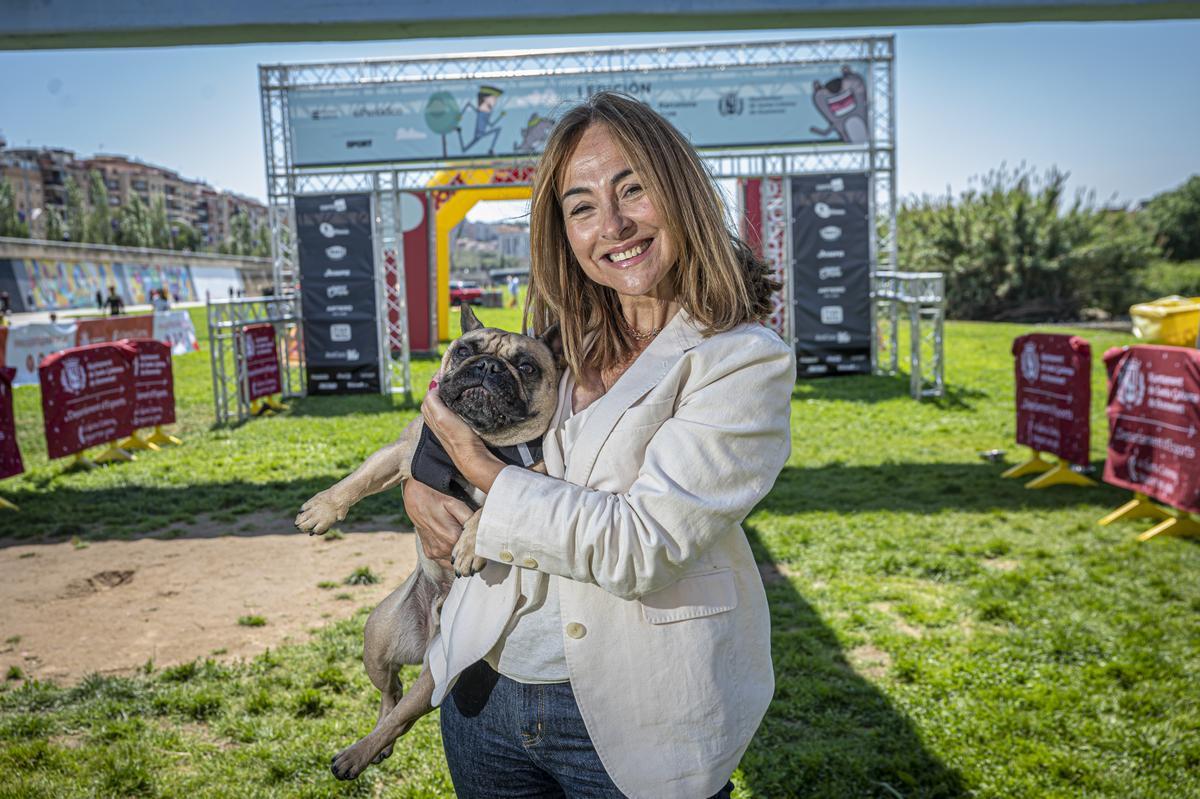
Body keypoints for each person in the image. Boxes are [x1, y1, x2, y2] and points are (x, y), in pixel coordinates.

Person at [405, 92, 794, 799]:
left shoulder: (740, 359)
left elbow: (643, 544)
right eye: (581, 206)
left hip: (633, 715)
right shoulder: (558, 342)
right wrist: (418, 481)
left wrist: (477, 469)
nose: (611, 224)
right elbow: (455, 424)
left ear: (679, 191)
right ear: (564, 230)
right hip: (483, 689)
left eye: (632, 188)